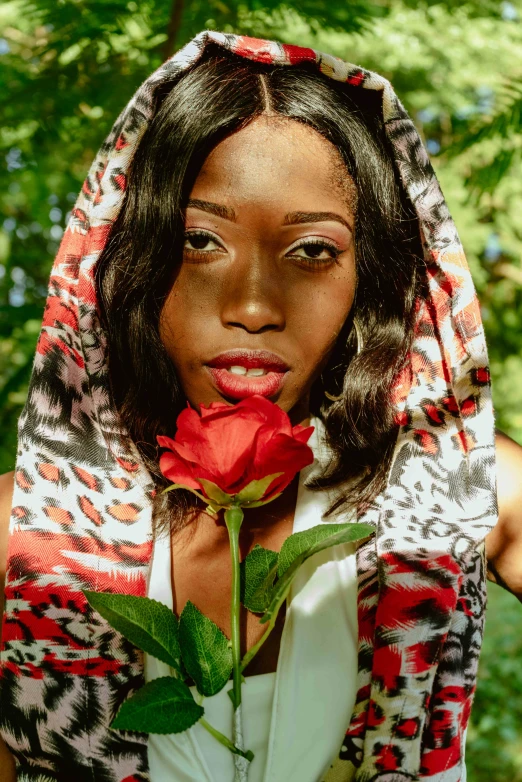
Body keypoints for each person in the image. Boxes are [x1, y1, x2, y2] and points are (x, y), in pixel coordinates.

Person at [0, 30, 521, 782]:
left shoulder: (466, 490)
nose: (251, 305)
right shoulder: (25, 541)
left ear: (366, 278)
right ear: (133, 258)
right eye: (200, 241)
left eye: (311, 251)